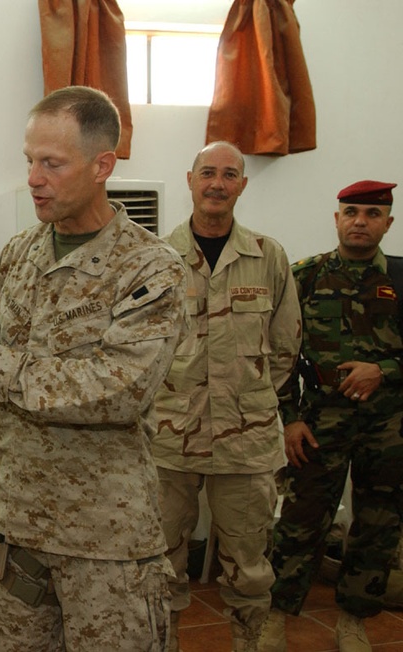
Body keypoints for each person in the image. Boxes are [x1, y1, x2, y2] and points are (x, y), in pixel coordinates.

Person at [0, 86, 187, 651]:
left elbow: (118, 391)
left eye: (52, 163)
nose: (34, 178)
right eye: (29, 161)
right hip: (15, 522)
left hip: (102, 536)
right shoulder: (20, 252)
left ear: (102, 166)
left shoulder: (150, 267)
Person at [151, 142, 301, 651]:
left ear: (241, 185)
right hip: (168, 442)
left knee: (251, 568)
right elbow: (135, 350)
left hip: (246, 443)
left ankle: (250, 643)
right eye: (208, 173)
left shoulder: (268, 256)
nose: (217, 183)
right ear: (190, 179)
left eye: (229, 174)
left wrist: (243, 399)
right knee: (161, 560)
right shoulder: (156, 259)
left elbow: (285, 348)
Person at [258, 180, 403, 652]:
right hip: (318, 422)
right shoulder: (305, 276)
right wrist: (289, 419)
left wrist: (381, 369)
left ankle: (354, 620)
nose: (361, 221)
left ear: (388, 222)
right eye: (352, 211)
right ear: (337, 218)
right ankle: (275, 616)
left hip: (388, 426)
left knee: (378, 525)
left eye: (372, 213)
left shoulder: (401, 279)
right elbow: (277, 355)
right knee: (300, 520)